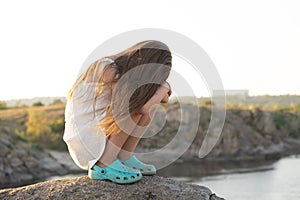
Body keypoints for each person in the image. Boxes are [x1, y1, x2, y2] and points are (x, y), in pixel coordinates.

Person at [63, 40, 172, 184]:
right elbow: (135, 105)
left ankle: (123, 158)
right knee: (133, 106)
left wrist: (160, 89)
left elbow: (158, 102)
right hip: (85, 138)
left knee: (150, 107)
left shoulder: (120, 71)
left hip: (97, 131)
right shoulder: (107, 67)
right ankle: (103, 165)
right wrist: (163, 88)